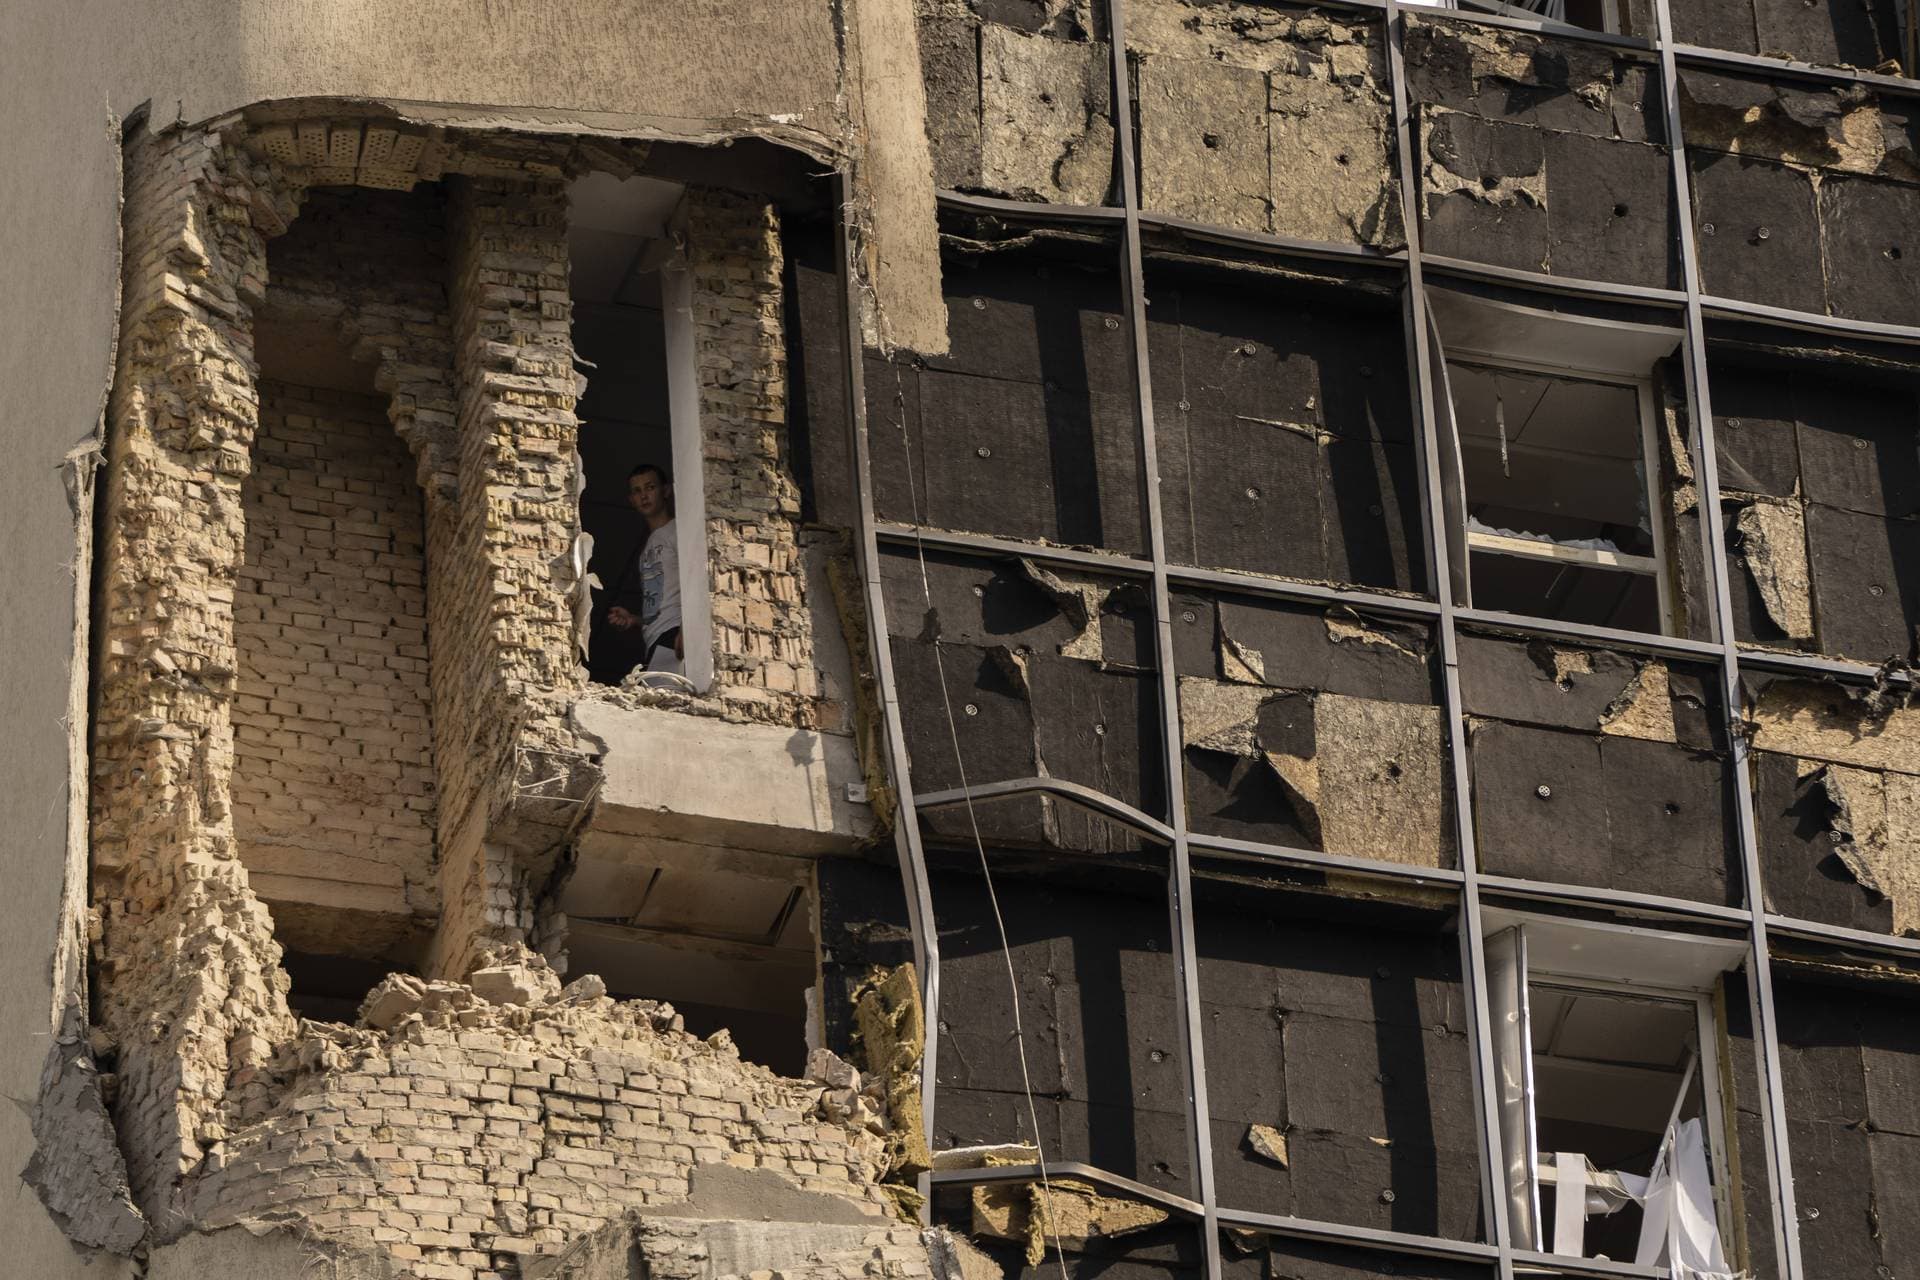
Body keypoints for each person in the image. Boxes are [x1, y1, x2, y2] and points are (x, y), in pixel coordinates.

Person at [605, 462, 683, 677]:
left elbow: (698, 578)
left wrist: (687, 628)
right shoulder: (647, 547)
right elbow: (660, 602)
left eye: (650, 487)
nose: (644, 496)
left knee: (671, 700)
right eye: (637, 491)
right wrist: (634, 620)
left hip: (674, 633)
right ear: (631, 500)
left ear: (665, 491)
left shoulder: (678, 529)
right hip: (655, 638)